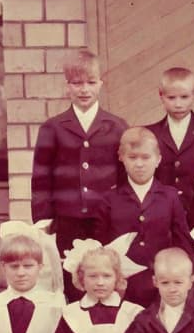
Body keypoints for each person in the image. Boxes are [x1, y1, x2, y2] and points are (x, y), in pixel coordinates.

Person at [30, 49, 127, 298]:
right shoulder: (52, 128)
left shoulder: (116, 126)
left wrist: (123, 213)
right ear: (67, 86)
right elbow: (41, 177)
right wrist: (43, 219)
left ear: (101, 84)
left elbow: (124, 176)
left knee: (104, 276)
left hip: (104, 218)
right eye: (77, 83)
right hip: (67, 219)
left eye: (91, 83)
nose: (84, 90)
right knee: (70, 278)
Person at [94, 127, 194, 306]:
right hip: (124, 286)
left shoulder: (170, 196)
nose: (139, 164)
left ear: (158, 159)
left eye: (146, 157)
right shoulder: (110, 199)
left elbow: (183, 240)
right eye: (132, 157)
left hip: (161, 284)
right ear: (122, 158)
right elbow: (101, 246)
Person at [144, 66, 194, 226]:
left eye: (184, 97)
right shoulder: (149, 135)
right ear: (161, 96)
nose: (178, 104)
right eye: (171, 98)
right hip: (158, 216)